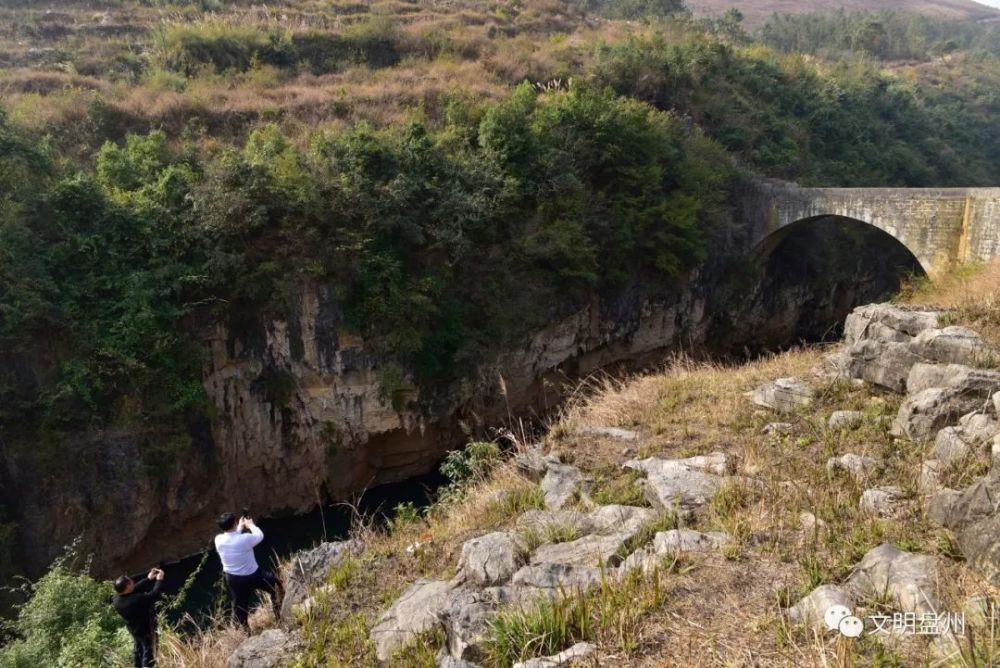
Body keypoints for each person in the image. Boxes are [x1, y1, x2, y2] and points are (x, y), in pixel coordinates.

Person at [214, 511, 283, 629]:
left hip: (234, 579)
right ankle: (279, 616)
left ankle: (245, 633)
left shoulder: (218, 540)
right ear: (234, 522)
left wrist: (240, 526)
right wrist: (250, 525)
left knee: (240, 607)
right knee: (275, 586)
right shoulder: (245, 539)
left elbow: (233, 537)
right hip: (253, 576)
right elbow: (259, 536)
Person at [112, 567, 165, 668]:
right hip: (145, 630)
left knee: (138, 648)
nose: (133, 582)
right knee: (148, 651)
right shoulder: (137, 600)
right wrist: (159, 579)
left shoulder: (116, 599)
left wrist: (148, 579)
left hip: (133, 629)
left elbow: (133, 589)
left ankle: (137, 666)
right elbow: (155, 594)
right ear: (127, 585)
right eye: (131, 581)